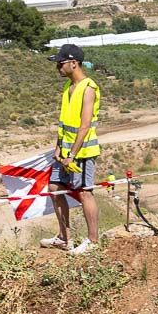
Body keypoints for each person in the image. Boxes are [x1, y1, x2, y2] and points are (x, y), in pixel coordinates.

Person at [41, 44, 101, 255]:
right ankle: (65, 238)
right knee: (55, 190)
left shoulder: (89, 88)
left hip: (82, 152)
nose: (57, 67)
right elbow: (65, 122)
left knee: (85, 193)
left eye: (60, 63)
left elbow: (84, 125)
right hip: (64, 152)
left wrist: (73, 154)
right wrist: (58, 146)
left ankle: (93, 240)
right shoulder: (68, 87)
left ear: (73, 63)